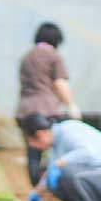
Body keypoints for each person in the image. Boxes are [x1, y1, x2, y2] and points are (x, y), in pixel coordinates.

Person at [15, 22, 80, 184]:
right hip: (46, 109)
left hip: (24, 110)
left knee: (33, 151)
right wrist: (71, 105)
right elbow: (60, 83)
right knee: (55, 149)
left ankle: (36, 189)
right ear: (56, 40)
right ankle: (53, 187)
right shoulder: (53, 56)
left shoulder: (27, 56)